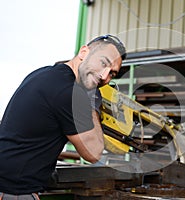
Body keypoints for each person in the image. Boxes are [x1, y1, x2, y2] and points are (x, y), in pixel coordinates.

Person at [0, 34, 126, 199]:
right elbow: (94, 153)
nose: (104, 76)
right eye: (103, 63)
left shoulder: (44, 74)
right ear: (84, 52)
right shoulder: (70, 93)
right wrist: (92, 101)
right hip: (15, 193)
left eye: (112, 74)